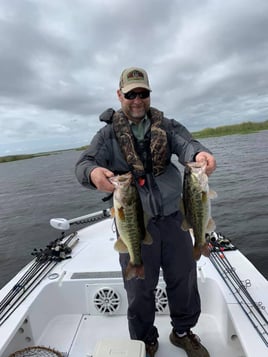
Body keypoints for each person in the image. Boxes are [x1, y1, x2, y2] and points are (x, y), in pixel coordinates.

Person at [75, 67, 216, 357]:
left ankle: (182, 332)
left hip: (175, 220)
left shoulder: (168, 125)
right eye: (131, 94)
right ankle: (144, 340)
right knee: (138, 288)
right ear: (120, 95)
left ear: (150, 94)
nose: (137, 100)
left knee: (184, 278)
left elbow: (188, 144)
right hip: (136, 224)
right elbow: (84, 163)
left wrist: (200, 155)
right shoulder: (106, 136)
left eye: (143, 93)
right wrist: (93, 174)